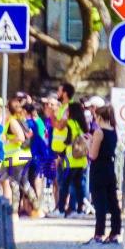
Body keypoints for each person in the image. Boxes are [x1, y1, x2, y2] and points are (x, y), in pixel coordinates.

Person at [0, 98, 41, 217]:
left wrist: (7, 139)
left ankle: (14, 212)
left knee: (16, 184)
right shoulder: (18, 120)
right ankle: (37, 208)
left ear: (8, 109)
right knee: (24, 183)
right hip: (19, 156)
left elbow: (21, 137)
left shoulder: (13, 121)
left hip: (17, 157)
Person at [86, 106, 121, 244]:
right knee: (113, 201)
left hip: (98, 168)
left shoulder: (99, 132)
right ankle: (115, 232)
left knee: (99, 202)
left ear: (99, 117)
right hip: (109, 167)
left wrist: (89, 143)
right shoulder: (113, 131)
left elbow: (93, 155)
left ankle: (99, 233)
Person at [58, 102, 89, 217]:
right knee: (78, 186)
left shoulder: (70, 123)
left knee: (64, 185)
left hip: (70, 159)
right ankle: (79, 209)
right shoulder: (81, 124)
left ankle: (61, 209)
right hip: (81, 160)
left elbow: (67, 139)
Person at [49, 83, 74, 217]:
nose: (57, 92)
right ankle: (59, 207)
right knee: (58, 181)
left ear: (64, 93)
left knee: (64, 181)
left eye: (59, 90)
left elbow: (59, 126)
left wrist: (52, 115)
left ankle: (64, 208)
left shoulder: (68, 108)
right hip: (57, 150)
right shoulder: (63, 108)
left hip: (64, 150)